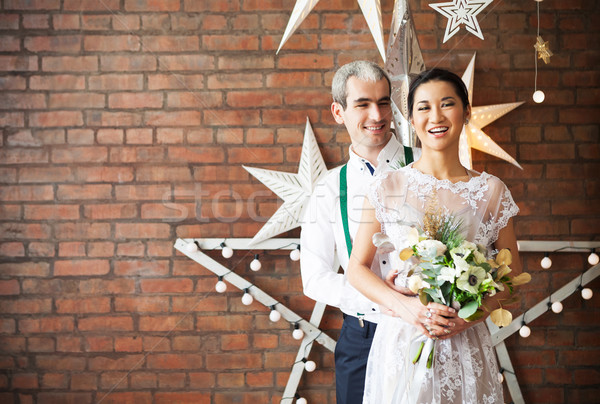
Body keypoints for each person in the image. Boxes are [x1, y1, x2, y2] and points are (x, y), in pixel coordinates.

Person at [346, 68, 522, 403]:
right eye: (424, 107)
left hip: (466, 344)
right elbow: (356, 269)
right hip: (403, 340)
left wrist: (470, 318)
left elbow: (513, 277)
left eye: (447, 104)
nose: (436, 117)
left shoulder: (491, 190)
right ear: (410, 119)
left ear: (466, 112)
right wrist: (408, 309)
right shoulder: (386, 187)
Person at [300, 60, 420, 404]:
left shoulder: (427, 164)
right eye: (363, 104)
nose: (377, 114)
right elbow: (315, 277)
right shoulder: (327, 188)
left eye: (384, 102)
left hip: (425, 329)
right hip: (362, 335)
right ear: (339, 112)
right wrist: (382, 297)